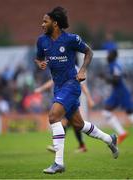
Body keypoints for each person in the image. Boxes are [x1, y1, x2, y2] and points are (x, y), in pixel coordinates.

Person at [35, 6, 118, 174]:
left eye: (45, 21)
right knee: (79, 125)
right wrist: (40, 63)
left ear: (55, 23)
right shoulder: (41, 41)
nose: (42, 24)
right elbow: (38, 58)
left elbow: (89, 52)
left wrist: (82, 70)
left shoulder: (71, 39)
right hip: (58, 87)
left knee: (53, 116)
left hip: (72, 85)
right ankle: (110, 139)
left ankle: (58, 163)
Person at [34, 76, 95, 153]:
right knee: (75, 124)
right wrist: (41, 89)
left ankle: (57, 147)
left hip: (69, 100)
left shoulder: (74, 69)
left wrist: (89, 99)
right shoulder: (63, 69)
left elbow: (83, 86)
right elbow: (51, 81)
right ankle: (82, 145)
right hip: (65, 99)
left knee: (67, 122)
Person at [102, 49, 133, 144]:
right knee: (106, 112)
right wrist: (105, 78)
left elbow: (116, 80)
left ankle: (122, 132)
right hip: (117, 92)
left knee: (130, 113)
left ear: (113, 56)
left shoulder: (115, 65)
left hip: (121, 92)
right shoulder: (111, 65)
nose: (107, 56)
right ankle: (122, 133)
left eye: (109, 54)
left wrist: (106, 78)